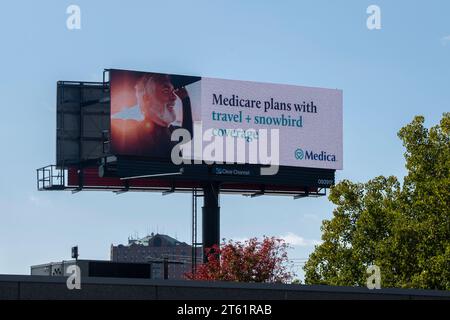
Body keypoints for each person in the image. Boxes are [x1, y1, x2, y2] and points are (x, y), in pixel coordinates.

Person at [111, 73, 193, 158]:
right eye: (165, 91)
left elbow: (187, 135)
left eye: (172, 91)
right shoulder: (133, 131)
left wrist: (185, 99)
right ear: (146, 98)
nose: (174, 97)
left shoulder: (171, 131)